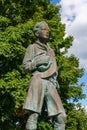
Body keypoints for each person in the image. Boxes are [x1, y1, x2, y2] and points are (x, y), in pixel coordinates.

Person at [22, 21, 66, 130]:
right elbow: (25, 67)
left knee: (61, 116)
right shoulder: (32, 47)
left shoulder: (51, 50)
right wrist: (36, 62)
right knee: (33, 115)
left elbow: (54, 67)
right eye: (44, 29)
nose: (48, 31)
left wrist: (56, 81)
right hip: (37, 80)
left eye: (48, 30)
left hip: (51, 82)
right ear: (37, 33)